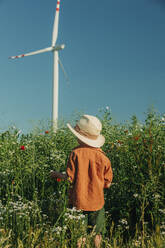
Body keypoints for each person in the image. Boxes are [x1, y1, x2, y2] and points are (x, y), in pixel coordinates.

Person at [50, 114, 113, 248]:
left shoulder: (75, 153)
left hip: (78, 201)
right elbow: (108, 183)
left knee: (79, 233)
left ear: (81, 137)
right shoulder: (104, 158)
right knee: (97, 232)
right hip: (97, 202)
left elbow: (69, 178)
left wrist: (56, 174)